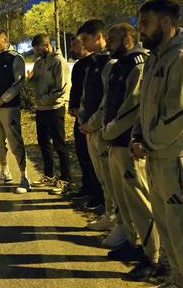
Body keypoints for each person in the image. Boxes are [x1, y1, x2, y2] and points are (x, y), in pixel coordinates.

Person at [132, 0, 183, 288]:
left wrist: (148, 142)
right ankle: (179, 280)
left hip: (179, 159)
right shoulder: (156, 58)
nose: (140, 30)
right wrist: (138, 136)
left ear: (166, 22)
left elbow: (181, 113)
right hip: (157, 155)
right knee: (166, 225)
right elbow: (145, 106)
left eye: (145, 23)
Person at [100, 23, 162, 281]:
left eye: (112, 40)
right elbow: (110, 101)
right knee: (124, 200)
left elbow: (133, 104)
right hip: (115, 142)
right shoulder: (120, 64)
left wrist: (110, 130)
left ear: (127, 40)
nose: (108, 44)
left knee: (139, 201)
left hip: (128, 144)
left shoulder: (137, 63)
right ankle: (132, 242)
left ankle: (153, 258)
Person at [77, 19, 126, 248]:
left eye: (85, 39)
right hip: (90, 129)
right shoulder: (94, 62)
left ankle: (120, 224)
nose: (83, 44)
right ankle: (109, 215)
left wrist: (93, 123)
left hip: (101, 131)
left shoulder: (109, 63)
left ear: (98, 37)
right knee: (103, 178)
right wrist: (82, 120)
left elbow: (108, 100)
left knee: (112, 179)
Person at [0, 29, 29, 193]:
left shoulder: (16, 58)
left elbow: (19, 83)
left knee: (15, 142)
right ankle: (5, 172)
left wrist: (2, 100)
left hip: (9, 108)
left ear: (6, 40)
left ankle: (25, 178)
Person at [27, 34, 71, 195]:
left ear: (46, 46)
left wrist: (44, 100)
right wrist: (30, 80)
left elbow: (62, 88)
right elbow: (35, 84)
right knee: (44, 143)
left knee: (60, 144)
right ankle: (49, 175)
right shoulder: (39, 62)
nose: (36, 53)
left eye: (38, 49)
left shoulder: (59, 62)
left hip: (55, 108)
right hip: (41, 109)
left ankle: (65, 178)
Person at [66, 36, 104, 205]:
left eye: (75, 45)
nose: (72, 48)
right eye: (71, 45)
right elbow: (75, 88)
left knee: (93, 157)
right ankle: (87, 187)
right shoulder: (79, 65)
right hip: (79, 117)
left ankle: (99, 194)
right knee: (82, 153)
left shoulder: (96, 63)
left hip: (92, 118)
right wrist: (73, 106)